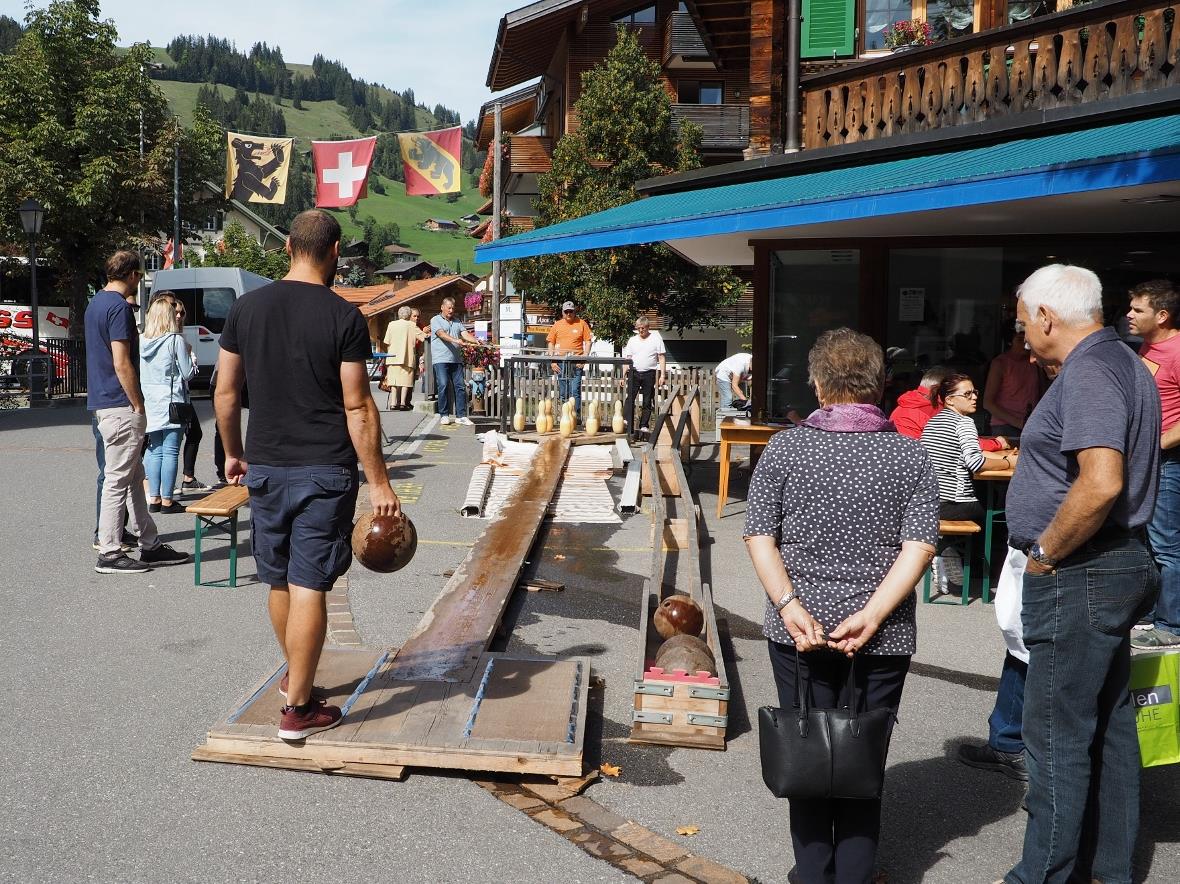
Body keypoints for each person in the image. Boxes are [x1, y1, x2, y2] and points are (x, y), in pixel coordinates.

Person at [744, 328, 938, 884]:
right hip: (883, 635)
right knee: (862, 759)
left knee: (804, 754)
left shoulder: (785, 447)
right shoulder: (910, 455)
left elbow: (760, 536)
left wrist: (787, 605)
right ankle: (855, 874)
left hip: (798, 629)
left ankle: (811, 874)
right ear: (880, 385)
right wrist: (874, 615)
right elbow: (920, 546)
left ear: (818, 384)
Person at [215, 209, 400, 741]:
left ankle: (295, 679)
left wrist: (233, 453)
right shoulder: (343, 316)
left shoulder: (246, 309)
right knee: (310, 583)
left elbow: (226, 393)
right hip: (324, 470)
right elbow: (358, 405)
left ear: (289, 247)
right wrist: (380, 482)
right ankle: (298, 709)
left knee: (277, 578)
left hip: (266, 466)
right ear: (335, 252)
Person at [1002, 265, 1160, 884]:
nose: (1021, 338)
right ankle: (1107, 870)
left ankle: (1041, 876)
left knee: (1055, 736)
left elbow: (1101, 483)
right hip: (1111, 565)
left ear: (1046, 316)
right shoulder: (1123, 361)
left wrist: (1043, 554)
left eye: (1022, 324)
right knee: (1111, 728)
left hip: (1083, 569)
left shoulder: (1092, 370)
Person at [86, 250, 189, 574]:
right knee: (118, 479)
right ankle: (110, 551)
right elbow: (121, 361)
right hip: (120, 404)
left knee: (133, 477)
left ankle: (150, 544)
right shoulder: (118, 307)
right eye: (138, 276)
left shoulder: (95, 304)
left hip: (104, 402)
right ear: (131, 275)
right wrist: (137, 403)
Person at [920, 373, 1014, 594]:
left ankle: (949, 550)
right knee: (996, 512)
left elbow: (965, 456)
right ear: (950, 399)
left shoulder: (934, 421)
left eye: (975, 392)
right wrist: (1008, 461)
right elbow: (976, 464)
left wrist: (998, 460)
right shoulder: (964, 423)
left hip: (930, 501)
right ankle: (983, 575)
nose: (974, 398)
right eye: (967, 393)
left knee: (983, 499)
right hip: (952, 503)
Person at [1127, 278, 1180, 649]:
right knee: (1143, 540)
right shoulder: (1147, 346)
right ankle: (1149, 612)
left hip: (1167, 462)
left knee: (1167, 545)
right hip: (1145, 461)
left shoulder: (1178, 351)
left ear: (1162, 315)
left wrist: (1155, 446)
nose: (1129, 314)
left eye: (1137, 309)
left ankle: (1172, 624)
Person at [139, 294, 197, 514]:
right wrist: (191, 358)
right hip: (173, 401)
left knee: (154, 450)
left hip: (151, 402)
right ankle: (167, 499)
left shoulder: (142, 341)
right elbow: (187, 374)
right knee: (171, 451)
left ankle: (153, 497)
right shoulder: (175, 340)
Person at [982, 322, 1043, 438]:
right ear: (1010, 342)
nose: (1025, 345)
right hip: (1004, 425)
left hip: (1030, 424)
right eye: (1020, 340)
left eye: (1027, 340)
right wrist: (1018, 423)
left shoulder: (1034, 361)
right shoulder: (1000, 363)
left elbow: (1042, 392)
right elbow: (988, 403)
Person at [430, 296, 479, 426]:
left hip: (456, 359)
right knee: (443, 384)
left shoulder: (457, 321)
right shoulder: (435, 320)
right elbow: (441, 334)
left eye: (453, 308)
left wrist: (476, 341)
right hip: (440, 359)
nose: (451, 310)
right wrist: (455, 340)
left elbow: (465, 334)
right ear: (442, 307)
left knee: (460, 386)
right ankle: (444, 414)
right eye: (449, 308)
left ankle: (461, 415)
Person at [621, 315, 666, 440]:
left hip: (649, 373)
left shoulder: (656, 339)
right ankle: (627, 421)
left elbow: (661, 357)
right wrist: (623, 375)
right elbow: (627, 358)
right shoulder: (632, 340)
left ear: (648, 327)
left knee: (647, 400)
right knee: (630, 398)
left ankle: (644, 425)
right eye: (639, 328)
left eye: (643, 328)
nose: (641, 330)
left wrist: (662, 375)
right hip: (634, 372)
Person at [547, 300, 592, 422]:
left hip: (576, 361)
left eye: (571, 311)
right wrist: (553, 361)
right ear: (562, 312)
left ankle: (576, 418)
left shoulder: (582, 323)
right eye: (566, 311)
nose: (568, 314)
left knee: (575, 390)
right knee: (563, 391)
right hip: (561, 361)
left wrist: (585, 357)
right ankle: (565, 417)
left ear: (574, 312)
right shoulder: (557, 325)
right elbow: (551, 342)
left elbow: (588, 341)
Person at [382, 305, 425, 411]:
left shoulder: (391, 324)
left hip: (392, 357)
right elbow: (423, 337)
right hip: (407, 357)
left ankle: (393, 403)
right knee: (406, 381)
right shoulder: (411, 325)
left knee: (394, 382)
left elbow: (386, 341)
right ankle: (402, 403)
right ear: (409, 315)